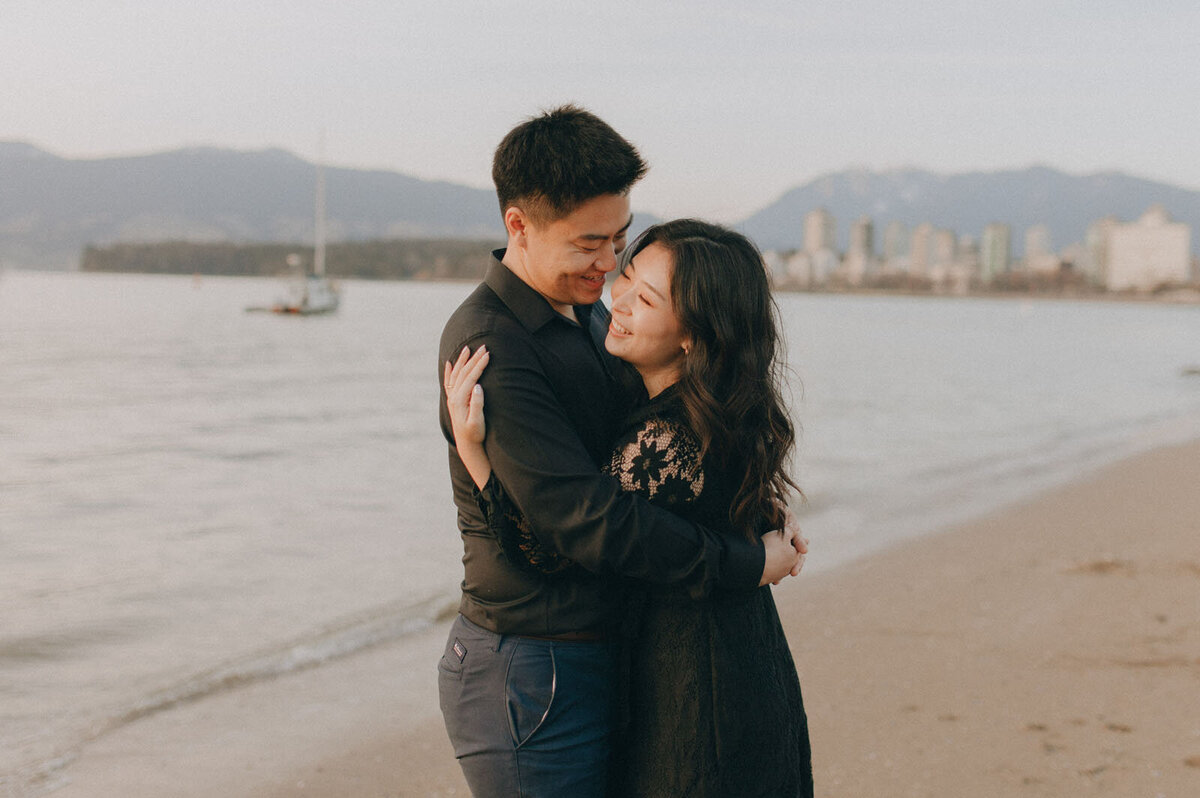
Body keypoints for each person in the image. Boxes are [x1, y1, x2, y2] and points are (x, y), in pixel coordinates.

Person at [436, 106, 804, 796]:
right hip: (532, 659)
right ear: (519, 226)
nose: (609, 266)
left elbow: (664, 449)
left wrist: (742, 503)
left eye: (620, 241)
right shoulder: (493, 346)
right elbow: (583, 523)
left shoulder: (592, 314)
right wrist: (745, 559)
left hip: (601, 651)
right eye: (588, 244)